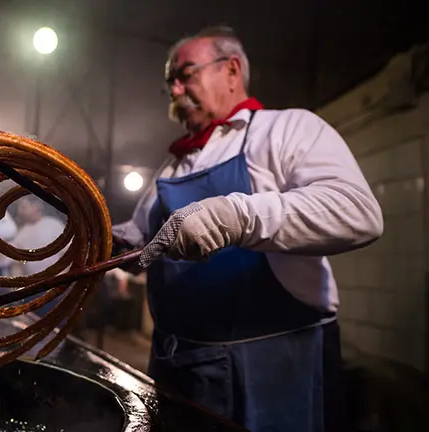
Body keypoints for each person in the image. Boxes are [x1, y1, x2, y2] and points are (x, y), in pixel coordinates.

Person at [112, 26, 383, 432]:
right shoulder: (170, 167)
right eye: (170, 83)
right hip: (176, 367)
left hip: (274, 369)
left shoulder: (287, 129)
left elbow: (358, 212)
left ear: (232, 70)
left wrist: (233, 216)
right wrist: (113, 243)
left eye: (186, 74)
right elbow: (142, 245)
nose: (175, 91)